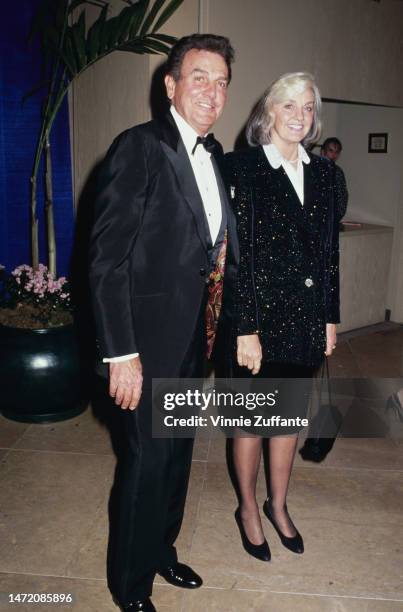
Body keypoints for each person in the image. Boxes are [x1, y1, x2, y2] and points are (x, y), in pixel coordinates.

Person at [89, 34, 238, 612]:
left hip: (192, 343)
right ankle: (129, 587)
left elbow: (215, 251)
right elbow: (107, 260)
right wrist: (119, 352)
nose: (212, 90)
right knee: (146, 465)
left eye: (221, 81)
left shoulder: (215, 154)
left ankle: (161, 551)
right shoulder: (139, 147)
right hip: (144, 348)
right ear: (171, 86)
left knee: (175, 459)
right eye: (199, 77)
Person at [224, 72, 340, 562]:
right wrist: (244, 327)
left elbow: (330, 254)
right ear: (268, 111)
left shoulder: (329, 175)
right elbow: (234, 257)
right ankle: (248, 509)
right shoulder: (241, 169)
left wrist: (330, 317)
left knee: (288, 419)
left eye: (308, 107)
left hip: (305, 322)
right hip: (256, 322)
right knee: (251, 422)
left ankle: (279, 506)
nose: (299, 115)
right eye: (289, 105)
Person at [321, 136, 348, 219]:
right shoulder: (312, 169)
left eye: (337, 152)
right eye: (331, 151)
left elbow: (342, 195)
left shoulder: (338, 172)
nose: (334, 155)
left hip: (331, 217)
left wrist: (338, 215)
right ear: (323, 151)